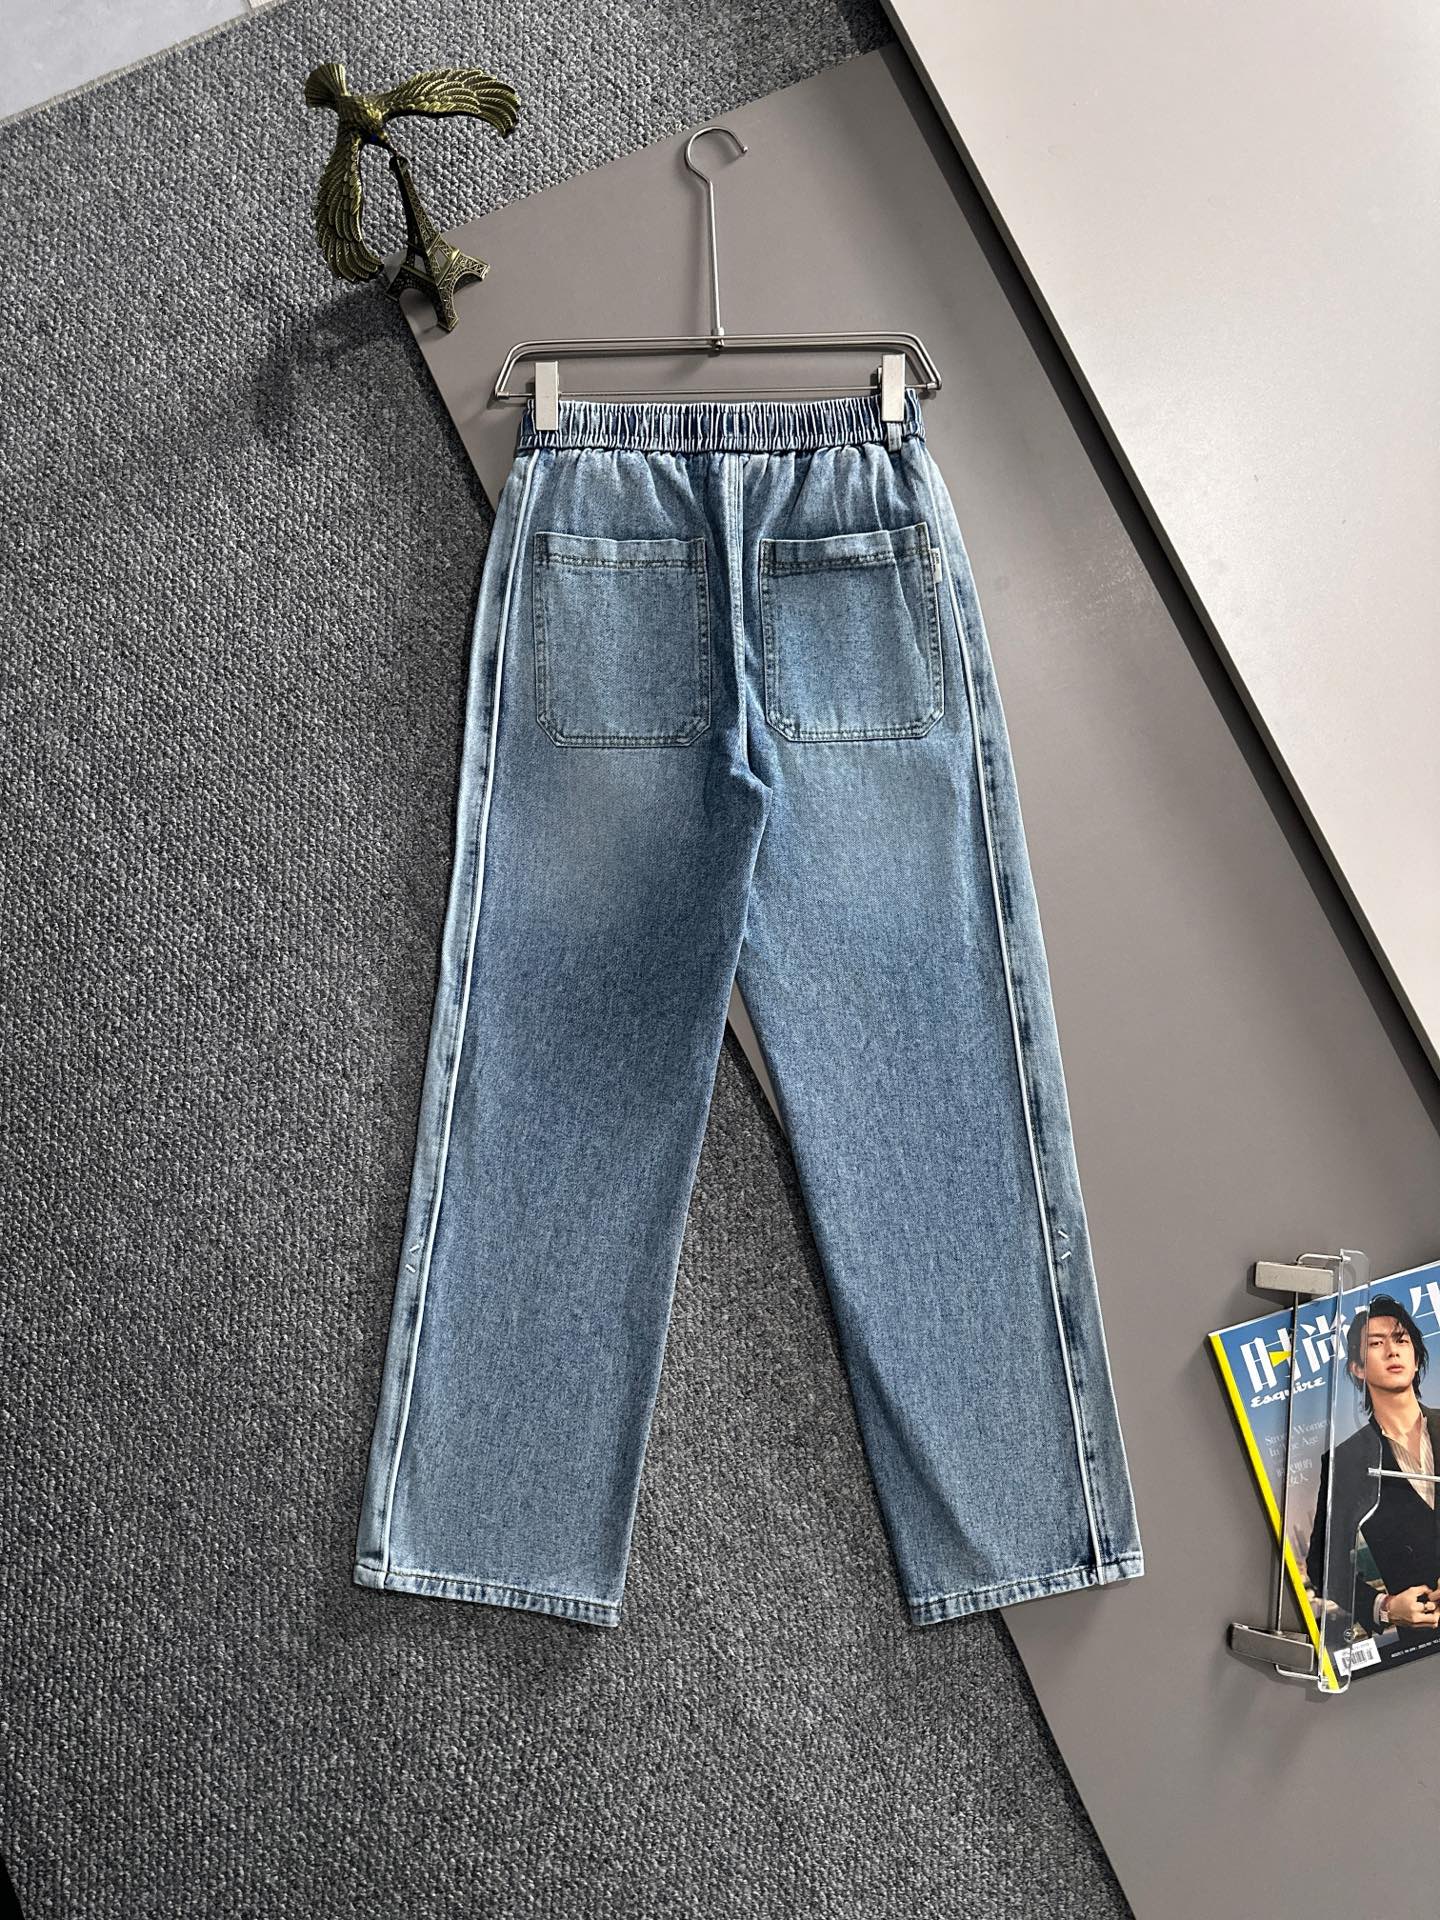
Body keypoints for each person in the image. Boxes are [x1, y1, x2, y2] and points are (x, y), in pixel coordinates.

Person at [1305, 1294, 1440, 1650]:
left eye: (1401, 1340)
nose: (1392, 1351)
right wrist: (1385, 1607)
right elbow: (1322, 1563)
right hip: (1423, 1645)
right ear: (1358, 1368)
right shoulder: (1345, 1462)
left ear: (1415, 1357)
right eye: (1376, 1344)